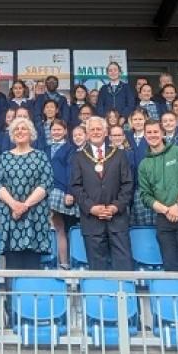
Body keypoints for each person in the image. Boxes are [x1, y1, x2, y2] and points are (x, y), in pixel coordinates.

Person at [71, 116, 134, 271]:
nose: (96, 132)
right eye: (92, 129)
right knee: (97, 268)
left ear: (106, 132)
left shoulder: (119, 154)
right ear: (86, 133)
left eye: (99, 129)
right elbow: (76, 187)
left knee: (123, 266)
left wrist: (115, 207)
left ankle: (125, 295)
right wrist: (91, 208)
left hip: (117, 219)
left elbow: (128, 184)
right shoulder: (78, 157)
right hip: (92, 221)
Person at [138, 119, 178, 271]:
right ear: (144, 136)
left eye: (155, 132)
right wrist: (167, 210)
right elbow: (145, 196)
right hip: (163, 217)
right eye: (149, 132)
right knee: (169, 265)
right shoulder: (144, 164)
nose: (152, 135)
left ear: (163, 133)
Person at [0, 118, 53, 269]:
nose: (20, 131)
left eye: (24, 128)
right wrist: (13, 205)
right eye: (16, 129)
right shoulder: (4, 157)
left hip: (34, 217)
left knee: (32, 269)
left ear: (31, 133)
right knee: (12, 268)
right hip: (10, 218)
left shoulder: (40, 156)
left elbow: (46, 183)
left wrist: (24, 206)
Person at [46, 119, 79, 269]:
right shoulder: (45, 148)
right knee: (47, 226)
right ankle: (47, 262)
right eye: (54, 130)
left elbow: (70, 172)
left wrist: (69, 192)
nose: (56, 132)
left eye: (59, 130)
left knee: (59, 226)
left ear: (65, 131)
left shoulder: (69, 149)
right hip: (44, 190)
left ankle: (64, 263)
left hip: (60, 191)